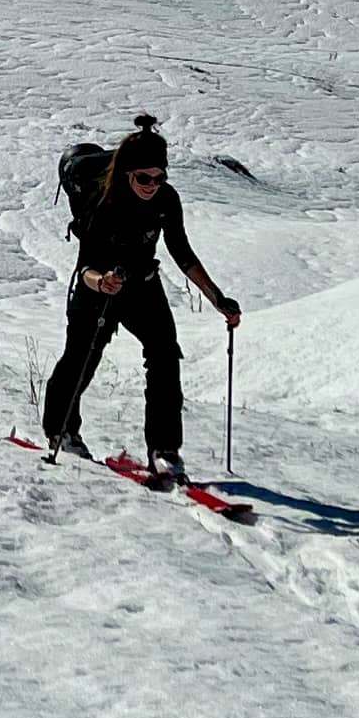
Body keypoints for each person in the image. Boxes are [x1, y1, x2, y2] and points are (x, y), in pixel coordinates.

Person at [42, 117, 239, 485]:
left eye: (159, 177)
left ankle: (164, 451)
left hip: (143, 286)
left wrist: (217, 299)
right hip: (97, 289)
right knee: (82, 356)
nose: (153, 185)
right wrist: (103, 282)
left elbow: (181, 252)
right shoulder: (103, 201)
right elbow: (85, 267)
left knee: (165, 356)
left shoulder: (166, 199)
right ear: (127, 173)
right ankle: (61, 431)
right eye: (143, 178)